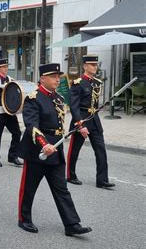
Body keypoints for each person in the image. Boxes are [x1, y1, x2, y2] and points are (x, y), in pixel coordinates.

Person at [18, 63, 92, 236]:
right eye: (53, 77)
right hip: (38, 150)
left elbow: (61, 124)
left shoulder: (58, 98)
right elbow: (31, 126)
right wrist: (44, 144)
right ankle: (24, 219)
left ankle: (71, 224)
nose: (57, 80)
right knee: (29, 187)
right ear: (43, 78)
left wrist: (79, 126)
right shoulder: (33, 98)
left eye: (58, 76)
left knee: (61, 188)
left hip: (56, 148)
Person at [66, 55, 115, 190]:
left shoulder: (97, 83)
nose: (94, 67)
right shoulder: (78, 83)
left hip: (94, 119)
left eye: (96, 64)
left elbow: (94, 103)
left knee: (101, 150)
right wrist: (79, 124)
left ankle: (102, 180)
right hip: (81, 119)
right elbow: (74, 106)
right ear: (85, 66)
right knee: (74, 150)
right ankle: (70, 175)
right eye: (92, 64)